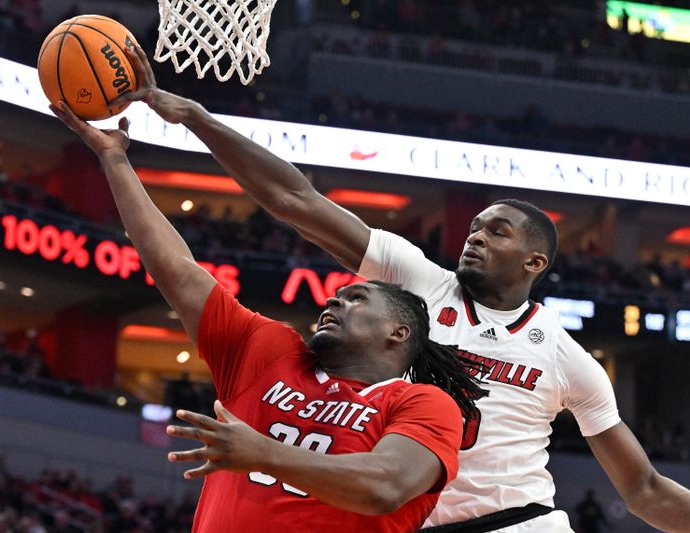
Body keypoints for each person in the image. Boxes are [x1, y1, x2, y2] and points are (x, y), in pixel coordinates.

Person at [113, 45, 690, 532]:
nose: (476, 237)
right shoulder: (416, 283)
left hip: (517, 521)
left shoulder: (566, 357)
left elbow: (641, 488)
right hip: (404, 514)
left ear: (536, 259)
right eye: (473, 227)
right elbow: (296, 201)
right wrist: (197, 118)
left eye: (497, 231)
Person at [50, 89, 485, 532]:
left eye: (357, 298)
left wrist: (264, 454)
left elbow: (385, 486)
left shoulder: (423, 403)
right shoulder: (271, 352)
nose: (335, 299)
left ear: (399, 331)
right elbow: (176, 271)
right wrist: (114, 159)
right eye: (340, 294)